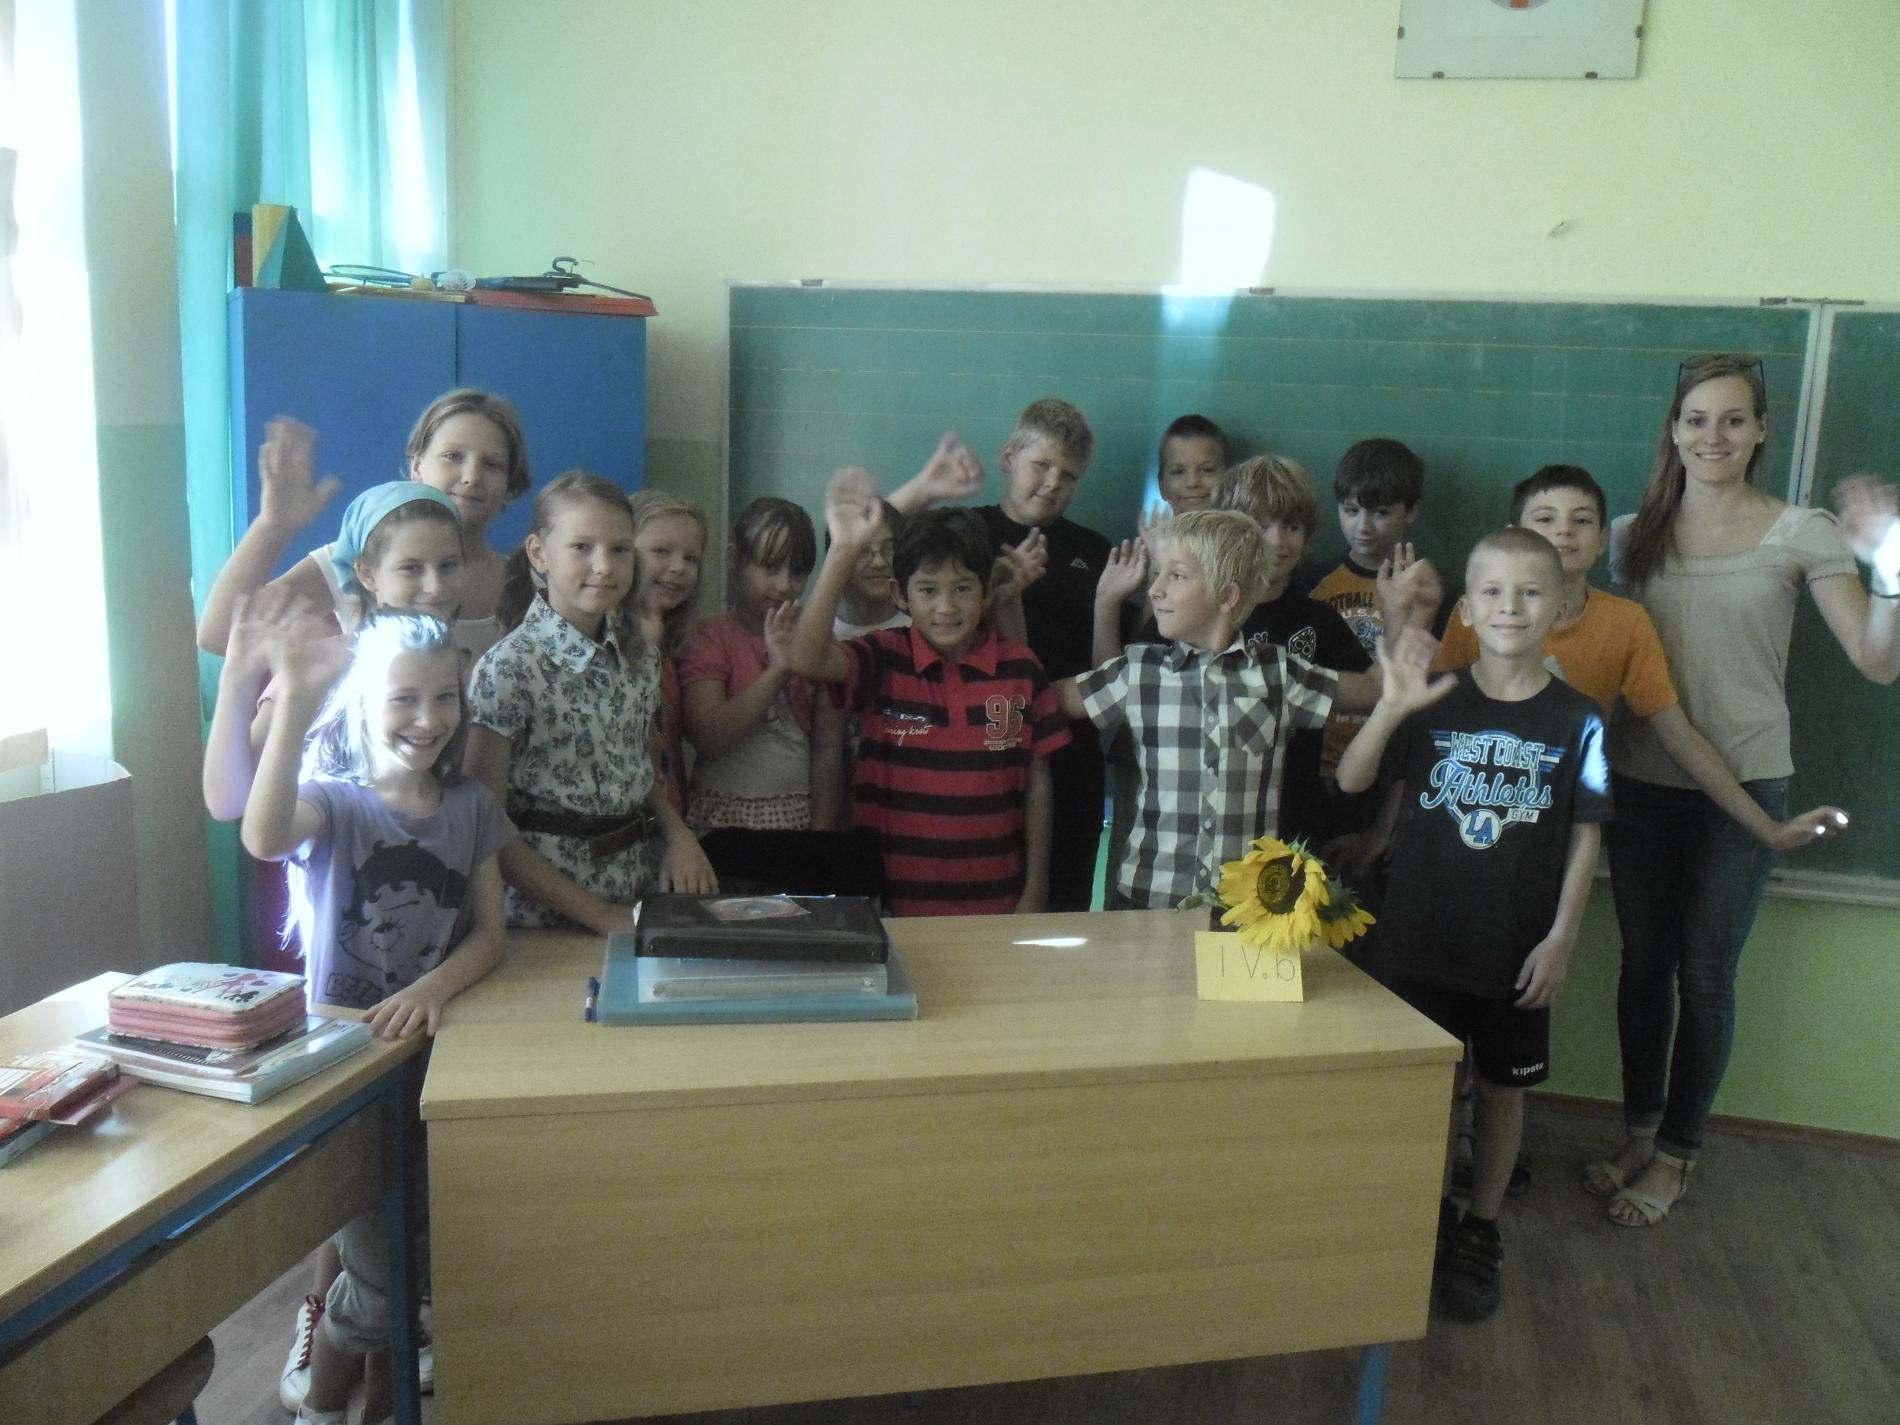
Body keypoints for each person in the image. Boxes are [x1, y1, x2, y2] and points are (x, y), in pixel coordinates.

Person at [1592, 354, 1900, 1227]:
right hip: (1642, 779)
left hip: (1750, 786)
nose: (1713, 436)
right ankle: (1639, 1132)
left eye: (1733, 419)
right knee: (1642, 966)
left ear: (1762, 430)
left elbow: (1878, 662)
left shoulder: (1802, 533)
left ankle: (1677, 1154)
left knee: (1705, 972)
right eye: (1696, 419)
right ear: (1674, 430)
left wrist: (1890, 562)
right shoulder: (1628, 536)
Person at [239, 609, 513, 1425]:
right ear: (362, 701)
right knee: (380, 1283)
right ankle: (321, 1408)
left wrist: (434, 990)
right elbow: (263, 834)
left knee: (409, 1266)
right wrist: (295, 698)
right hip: (346, 1074)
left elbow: (491, 934)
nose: (428, 718)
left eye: (444, 696)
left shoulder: (471, 805)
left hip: (428, 1063)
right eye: (403, 698)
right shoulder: (337, 804)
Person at [1342, 528, 1611, 1320]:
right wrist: (1392, 705)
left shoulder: (1579, 718)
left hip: (1514, 948)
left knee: (1499, 1091)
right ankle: (1420, 1218)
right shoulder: (1434, 695)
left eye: (1530, 591)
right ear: (1465, 607)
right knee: (1432, 1089)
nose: (1510, 606)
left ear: (1560, 608)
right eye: (1492, 590)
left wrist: (1561, 938)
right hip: (1418, 939)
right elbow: (1355, 778)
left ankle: (1479, 1226)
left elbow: (1586, 835)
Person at [1061, 510, 1389, 910]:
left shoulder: (1277, 673)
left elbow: (1372, 689)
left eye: (1175, 576)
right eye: (1158, 574)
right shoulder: (1138, 670)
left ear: (1227, 596)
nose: (1155, 590)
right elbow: (1043, 701)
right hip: (1149, 899)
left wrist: (1402, 612)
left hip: (1247, 905)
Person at [786, 472, 1070, 915]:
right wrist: (842, 551)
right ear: (900, 595)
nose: (946, 607)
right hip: (892, 908)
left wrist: (1036, 889)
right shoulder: (883, 656)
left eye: (962, 588)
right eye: (928, 590)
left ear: (985, 592)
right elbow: (805, 659)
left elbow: (1038, 786)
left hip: (998, 904)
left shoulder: (1021, 669)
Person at [465, 471, 715, 931]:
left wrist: (679, 836)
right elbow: (485, 824)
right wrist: (599, 915)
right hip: (544, 918)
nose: (604, 566)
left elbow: (638, 773)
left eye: (620, 549)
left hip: (636, 896)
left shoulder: (640, 657)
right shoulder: (508, 669)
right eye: (582, 547)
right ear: (539, 553)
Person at [196, 390, 530, 664]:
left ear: (509, 484)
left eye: (492, 464)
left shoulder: (522, 581)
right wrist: (272, 527)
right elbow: (219, 635)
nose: (472, 476)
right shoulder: (359, 559)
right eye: (453, 456)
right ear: (417, 466)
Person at [202, 479, 466, 823]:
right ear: (367, 574)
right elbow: (228, 803)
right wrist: (237, 676)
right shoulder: (324, 666)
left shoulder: (460, 667)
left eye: (448, 565)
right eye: (411, 568)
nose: (434, 586)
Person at [975, 398, 1111, 911]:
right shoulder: (965, 533)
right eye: (1042, 465)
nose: (1054, 483)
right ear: (1008, 457)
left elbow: (1109, 669)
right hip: (982, 749)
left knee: (1063, 907)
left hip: (1072, 753)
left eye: (1069, 475)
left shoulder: (1095, 551)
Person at [678, 496, 846, 832]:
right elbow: (708, 739)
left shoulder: (818, 643)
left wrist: (822, 840)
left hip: (795, 819)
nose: (783, 586)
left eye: (797, 573)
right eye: (770, 567)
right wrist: (779, 671)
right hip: (720, 821)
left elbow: (828, 750)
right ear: (734, 558)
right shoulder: (709, 637)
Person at [627, 489, 709, 813]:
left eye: (691, 558)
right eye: (661, 551)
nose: (678, 567)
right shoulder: (604, 646)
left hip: (670, 814)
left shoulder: (677, 648)